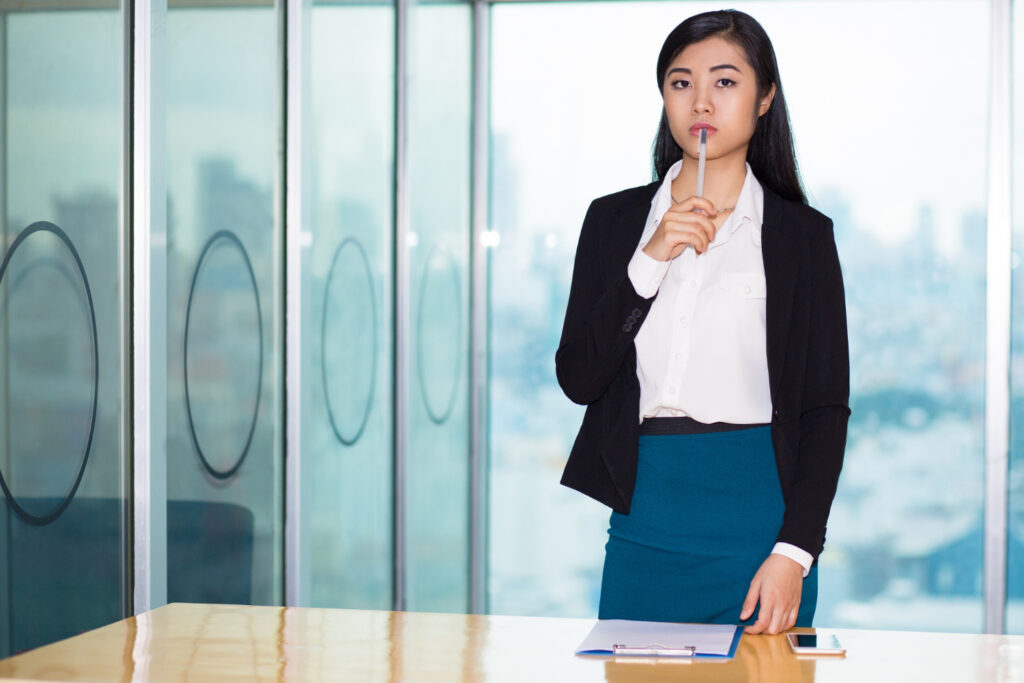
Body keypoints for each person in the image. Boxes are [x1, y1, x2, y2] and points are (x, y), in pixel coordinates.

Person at [555, 9, 849, 636]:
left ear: (765, 97)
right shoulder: (613, 223)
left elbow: (825, 409)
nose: (701, 101)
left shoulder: (803, 237)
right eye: (681, 83)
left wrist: (795, 552)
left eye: (725, 81)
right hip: (646, 521)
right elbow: (579, 377)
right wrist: (650, 258)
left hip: (761, 529)